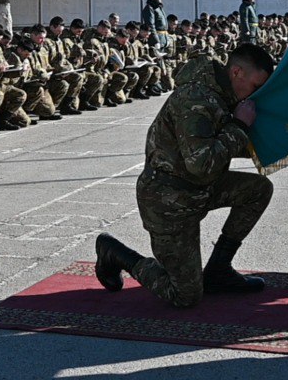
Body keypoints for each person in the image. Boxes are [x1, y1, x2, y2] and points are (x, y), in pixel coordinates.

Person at [94, 43, 276, 308]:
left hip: (201, 188)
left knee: (258, 189)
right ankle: (116, 254)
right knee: (185, 295)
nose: (256, 93)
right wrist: (239, 126)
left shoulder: (223, 96)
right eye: (255, 85)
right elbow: (200, 163)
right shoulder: (196, 99)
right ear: (236, 72)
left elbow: (218, 150)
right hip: (168, 200)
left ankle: (219, 270)